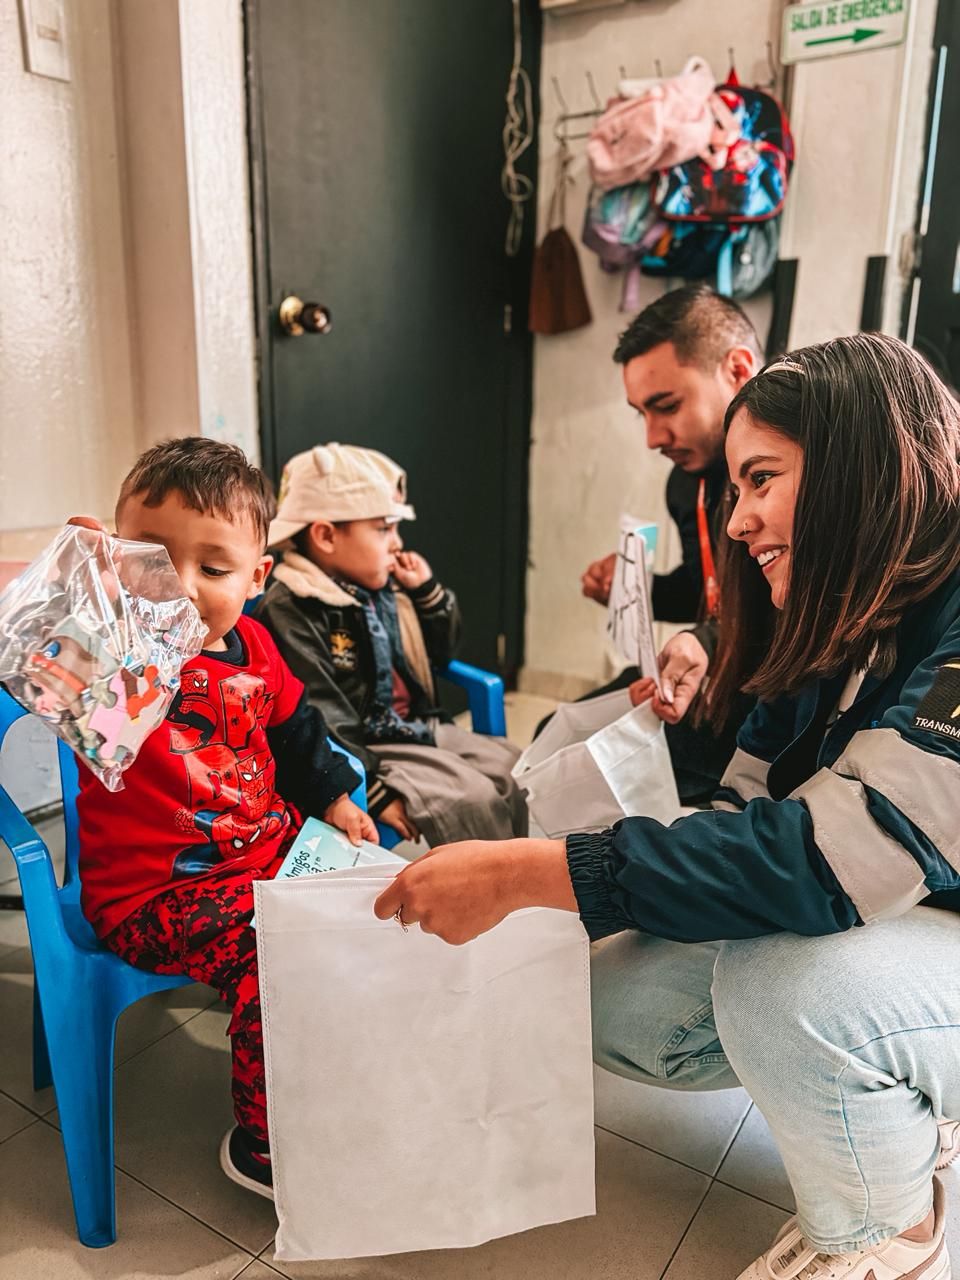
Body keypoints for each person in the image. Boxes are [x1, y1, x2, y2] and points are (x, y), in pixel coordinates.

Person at [374, 334, 960, 1280]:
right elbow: (747, 795)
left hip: (919, 906)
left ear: (859, 471)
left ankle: (891, 1229)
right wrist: (594, 891)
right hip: (907, 898)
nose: (739, 521)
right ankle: (897, 1097)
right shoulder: (838, 602)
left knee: (788, 990)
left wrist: (540, 873)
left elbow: (833, 858)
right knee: (619, 1000)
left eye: (761, 480)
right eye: (734, 490)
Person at [74, 437, 376, 1200]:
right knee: (280, 956)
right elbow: (55, 678)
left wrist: (335, 797)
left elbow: (297, 729)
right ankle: (265, 1144)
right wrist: (76, 594)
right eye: (151, 559)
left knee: (380, 907)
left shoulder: (257, 646)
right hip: (154, 894)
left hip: (266, 850)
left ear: (256, 577)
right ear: (118, 559)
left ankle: (346, 1074)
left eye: (212, 570)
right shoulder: (111, 647)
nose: (178, 586)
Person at [255, 443, 527, 846]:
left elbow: (442, 653)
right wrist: (374, 788)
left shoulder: (383, 586)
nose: (397, 544)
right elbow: (322, 714)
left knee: (517, 768)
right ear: (326, 536)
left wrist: (427, 593)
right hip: (365, 746)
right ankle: (487, 881)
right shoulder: (292, 606)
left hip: (413, 725)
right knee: (473, 799)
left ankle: (521, 868)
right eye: (384, 529)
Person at [574, 284, 761, 802]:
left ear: (738, 370)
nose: (653, 437)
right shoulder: (687, 481)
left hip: (769, 701)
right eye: (642, 413)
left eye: (667, 406)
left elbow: (791, 613)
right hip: (717, 674)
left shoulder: (796, 475)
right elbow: (710, 590)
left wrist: (706, 640)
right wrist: (636, 589)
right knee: (566, 736)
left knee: (608, 775)